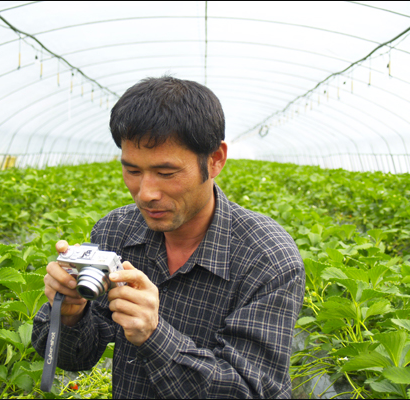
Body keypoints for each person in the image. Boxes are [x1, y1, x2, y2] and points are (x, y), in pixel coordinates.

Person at [32, 76, 305, 398]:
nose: (145, 193)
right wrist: (70, 312)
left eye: (166, 173)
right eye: (132, 171)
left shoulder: (267, 258)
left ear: (215, 160)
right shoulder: (115, 231)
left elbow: (252, 391)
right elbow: (74, 358)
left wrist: (154, 335)